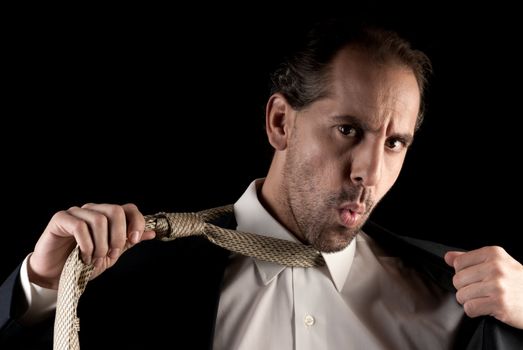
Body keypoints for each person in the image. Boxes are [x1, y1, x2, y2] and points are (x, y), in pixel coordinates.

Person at [1, 18, 522, 350]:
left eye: (394, 143)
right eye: (348, 130)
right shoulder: (129, 276)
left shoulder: (457, 301)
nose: (370, 172)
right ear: (280, 123)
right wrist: (44, 285)